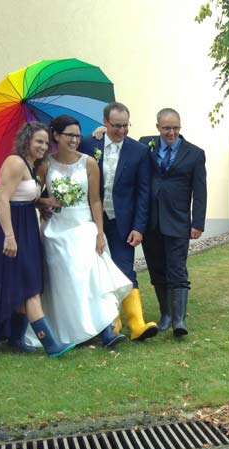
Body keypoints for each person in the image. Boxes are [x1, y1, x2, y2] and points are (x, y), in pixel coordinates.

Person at [26, 114, 132, 349]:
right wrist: (44, 203)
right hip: (56, 230)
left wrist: (99, 233)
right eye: (69, 135)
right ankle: (71, 328)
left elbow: (95, 200)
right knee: (65, 282)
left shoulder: (88, 163)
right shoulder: (45, 164)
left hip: (84, 225)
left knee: (94, 275)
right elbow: (32, 196)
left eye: (77, 135)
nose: (74, 140)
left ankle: (106, 330)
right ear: (56, 136)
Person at [0, 121, 75, 358]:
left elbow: (24, 197)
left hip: (28, 226)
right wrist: (9, 236)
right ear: (27, 141)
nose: (43, 146)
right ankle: (51, 344)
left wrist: (43, 203)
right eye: (39, 141)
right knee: (29, 283)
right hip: (13, 228)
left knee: (27, 280)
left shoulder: (32, 166)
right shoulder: (15, 162)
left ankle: (16, 339)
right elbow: (3, 200)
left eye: (46, 142)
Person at [79, 103, 158, 341]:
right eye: (116, 126)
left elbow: (143, 193)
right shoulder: (88, 144)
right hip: (89, 221)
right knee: (97, 271)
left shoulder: (139, 151)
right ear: (105, 122)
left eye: (125, 125)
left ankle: (137, 325)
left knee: (125, 269)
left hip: (122, 223)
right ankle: (110, 324)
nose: (122, 130)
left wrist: (138, 227)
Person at [138, 108, 207, 336]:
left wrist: (197, 223)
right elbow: (121, 145)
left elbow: (200, 191)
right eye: (167, 128)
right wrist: (101, 132)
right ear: (157, 127)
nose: (171, 133)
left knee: (177, 268)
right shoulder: (144, 144)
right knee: (157, 269)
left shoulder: (194, 154)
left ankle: (179, 320)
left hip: (178, 220)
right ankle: (165, 315)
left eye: (176, 128)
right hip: (150, 220)